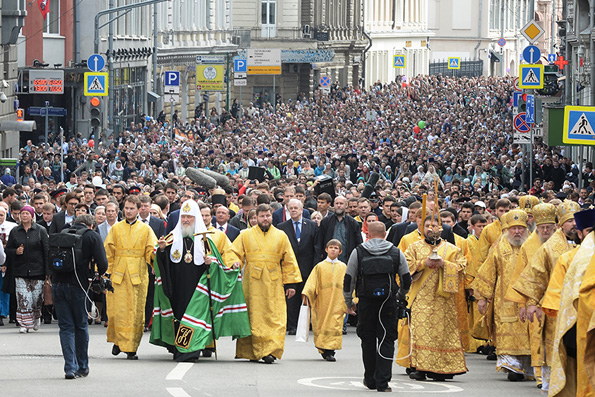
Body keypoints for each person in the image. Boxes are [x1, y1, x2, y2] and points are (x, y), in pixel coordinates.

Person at [151, 199, 250, 362]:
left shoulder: (206, 240)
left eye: (189, 217)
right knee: (179, 315)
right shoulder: (171, 238)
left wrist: (211, 263)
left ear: (195, 218)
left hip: (198, 288)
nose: (186, 220)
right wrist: (161, 250)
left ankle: (190, 350)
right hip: (176, 286)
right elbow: (160, 261)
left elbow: (217, 262)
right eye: (183, 217)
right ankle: (178, 348)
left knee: (193, 317)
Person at [509, 200, 580, 391]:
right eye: (569, 221)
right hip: (556, 304)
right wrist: (531, 302)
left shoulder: (588, 242)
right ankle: (554, 383)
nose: (573, 224)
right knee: (556, 344)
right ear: (562, 223)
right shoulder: (550, 247)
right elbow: (536, 273)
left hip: (584, 303)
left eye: (576, 220)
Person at [396, 215, 467, 381]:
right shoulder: (414, 247)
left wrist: (444, 264)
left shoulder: (451, 249)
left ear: (440, 228)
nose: (430, 228)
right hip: (420, 297)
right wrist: (423, 264)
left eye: (434, 225)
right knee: (420, 333)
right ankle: (420, 368)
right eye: (427, 225)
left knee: (441, 334)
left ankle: (440, 369)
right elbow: (404, 267)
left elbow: (462, 267)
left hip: (444, 299)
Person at [230, 204, 302, 364]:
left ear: (271, 217)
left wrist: (291, 284)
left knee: (274, 315)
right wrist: (235, 263)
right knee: (253, 316)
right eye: (262, 216)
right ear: (257, 218)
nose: (265, 219)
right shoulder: (246, 235)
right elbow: (233, 253)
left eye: (268, 216)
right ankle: (253, 351)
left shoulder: (281, 235)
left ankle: (270, 350)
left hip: (274, 283)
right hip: (252, 283)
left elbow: (289, 259)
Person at [344, 221, 411, 392]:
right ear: (385, 234)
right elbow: (406, 278)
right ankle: (383, 382)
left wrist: (349, 301)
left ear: (369, 234)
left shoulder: (358, 251)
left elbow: (348, 279)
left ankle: (370, 379)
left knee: (368, 339)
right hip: (387, 302)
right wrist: (400, 296)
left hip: (366, 302)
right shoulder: (396, 252)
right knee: (386, 339)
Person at [472, 210, 533, 381]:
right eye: (513, 228)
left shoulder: (532, 246)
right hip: (503, 299)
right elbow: (488, 271)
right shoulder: (499, 246)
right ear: (507, 230)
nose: (517, 232)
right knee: (506, 331)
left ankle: (527, 367)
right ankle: (511, 366)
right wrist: (483, 297)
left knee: (529, 332)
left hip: (527, 299)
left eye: (520, 228)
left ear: (526, 229)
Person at [541, 208, 595, 396]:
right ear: (580, 234)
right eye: (589, 231)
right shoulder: (568, 259)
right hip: (579, 326)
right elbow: (557, 295)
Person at [504, 202, 557, 388]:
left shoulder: (562, 244)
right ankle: (540, 375)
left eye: (549, 228)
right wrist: (522, 304)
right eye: (542, 228)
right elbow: (520, 275)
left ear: (554, 227)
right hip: (535, 300)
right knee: (536, 336)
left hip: (558, 300)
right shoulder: (528, 246)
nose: (545, 231)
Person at [52, 215, 108, 379]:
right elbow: (103, 263)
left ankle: (69, 367)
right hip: (79, 285)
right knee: (81, 326)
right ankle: (82, 366)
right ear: (91, 225)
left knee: (66, 327)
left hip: (57, 284)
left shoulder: (63, 231)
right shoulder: (91, 236)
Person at [104, 195, 157, 360]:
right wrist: (106, 273)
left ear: (139, 209)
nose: (128, 211)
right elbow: (108, 253)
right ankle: (119, 341)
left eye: (132, 208)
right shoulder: (116, 228)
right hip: (118, 275)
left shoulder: (146, 229)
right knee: (116, 311)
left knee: (134, 312)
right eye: (126, 208)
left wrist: (156, 255)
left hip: (137, 276)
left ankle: (131, 347)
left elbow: (150, 250)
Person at [5, 205, 49, 333]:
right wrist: (16, 251)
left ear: (32, 216)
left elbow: (46, 252)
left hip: (38, 271)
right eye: (22, 213)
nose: (24, 216)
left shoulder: (40, 230)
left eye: (27, 214)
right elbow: (8, 249)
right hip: (20, 271)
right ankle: (24, 323)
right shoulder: (15, 231)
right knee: (23, 299)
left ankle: (36, 317)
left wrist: (48, 273)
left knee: (36, 299)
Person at [277, 199, 319, 335]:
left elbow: (316, 249)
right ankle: (292, 325)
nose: (294, 210)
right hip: (290, 270)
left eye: (296, 208)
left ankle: (309, 324)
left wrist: (315, 268)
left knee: (307, 297)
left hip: (308, 268)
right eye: (291, 208)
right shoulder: (282, 227)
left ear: (301, 210)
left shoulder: (312, 226)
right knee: (292, 299)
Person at [302, 239, 346, 361]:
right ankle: (323, 348)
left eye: (336, 248)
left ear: (340, 251)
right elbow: (312, 283)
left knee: (335, 325)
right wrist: (307, 294)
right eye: (331, 247)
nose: (333, 250)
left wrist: (351, 300)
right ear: (326, 249)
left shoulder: (343, 267)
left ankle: (330, 350)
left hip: (338, 302)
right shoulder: (319, 267)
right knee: (322, 324)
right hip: (322, 302)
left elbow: (349, 285)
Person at [316, 196, 363, 265]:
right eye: (337, 203)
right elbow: (319, 242)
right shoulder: (326, 222)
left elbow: (358, 242)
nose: (339, 206)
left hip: (347, 261)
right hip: (328, 261)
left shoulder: (353, 223)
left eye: (341, 203)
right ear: (333, 205)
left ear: (346, 205)